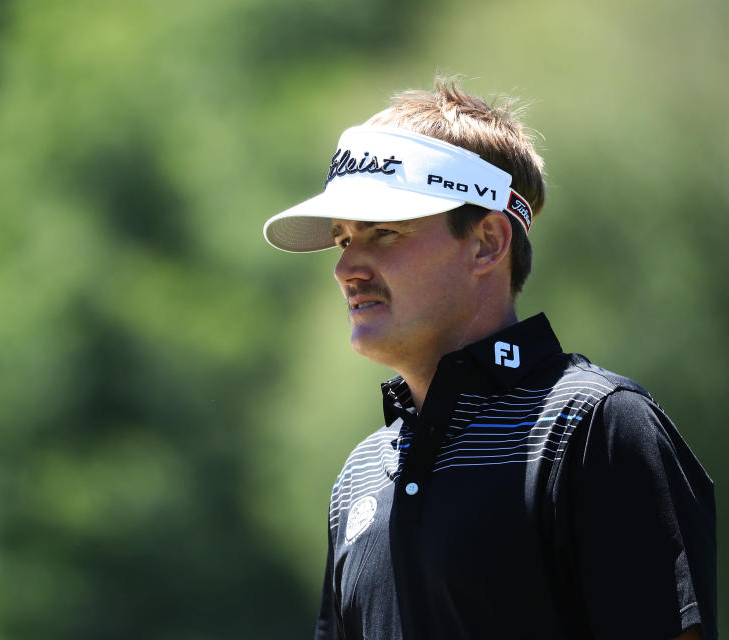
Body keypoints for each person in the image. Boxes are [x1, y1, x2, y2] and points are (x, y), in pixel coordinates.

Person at [262, 78, 716, 640]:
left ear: (487, 243)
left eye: (382, 233)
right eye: (342, 239)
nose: (345, 269)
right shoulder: (358, 477)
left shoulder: (596, 426)